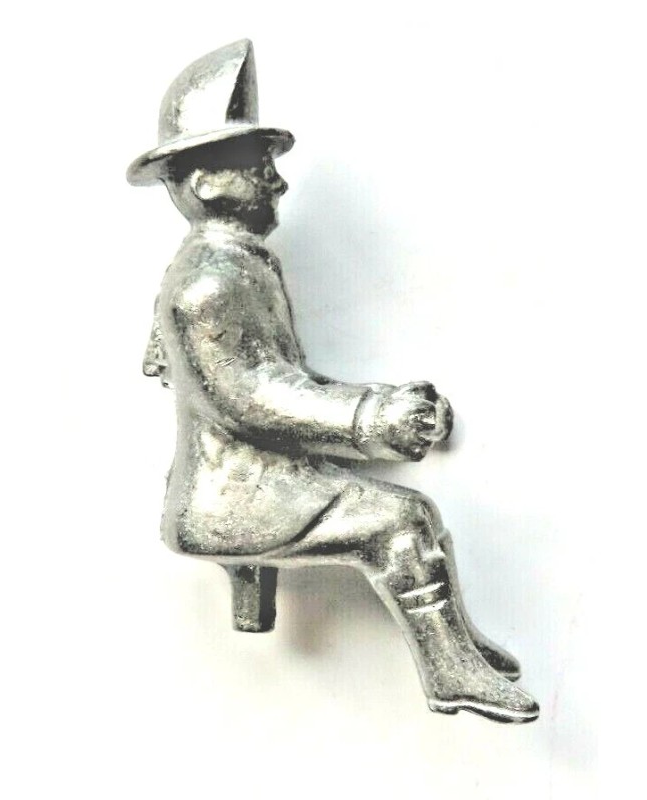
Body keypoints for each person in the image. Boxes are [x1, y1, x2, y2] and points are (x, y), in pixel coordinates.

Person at [128, 40, 539, 723]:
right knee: (400, 522)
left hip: (247, 477)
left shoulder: (229, 265)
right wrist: (371, 418)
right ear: (206, 185)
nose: (277, 184)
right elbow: (253, 397)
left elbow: (258, 376)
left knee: (406, 516)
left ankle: (454, 646)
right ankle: (448, 672)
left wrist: (379, 408)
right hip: (231, 496)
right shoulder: (209, 282)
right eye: (259, 169)